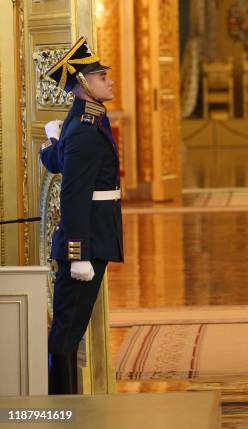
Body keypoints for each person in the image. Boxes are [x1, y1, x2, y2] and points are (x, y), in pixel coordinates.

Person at [40, 36, 123, 395]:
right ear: (84, 85)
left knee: (70, 327)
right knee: (67, 329)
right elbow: (74, 194)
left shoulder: (85, 121)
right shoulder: (86, 131)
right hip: (87, 240)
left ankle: (66, 402)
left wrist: (52, 144)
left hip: (95, 234)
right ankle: (62, 404)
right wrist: (79, 253)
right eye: (103, 77)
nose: (110, 81)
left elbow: (62, 163)